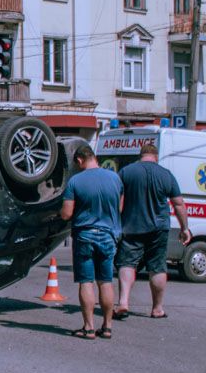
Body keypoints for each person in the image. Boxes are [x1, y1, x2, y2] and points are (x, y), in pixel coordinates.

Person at [114, 143, 191, 320]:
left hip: (131, 226)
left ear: (140, 155)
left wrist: (117, 221)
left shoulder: (127, 172)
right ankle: (157, 308)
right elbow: (178, 203)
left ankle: (123, 302)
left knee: (127, 264)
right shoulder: (165, 174)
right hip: (159, 228)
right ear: (156, 157)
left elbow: (117, 200)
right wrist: (184, 228)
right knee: (157, 267)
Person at [59, 145, 123, 340]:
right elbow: (119, 208)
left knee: (86, 282)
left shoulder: (75, 182)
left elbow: (67, 214)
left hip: (85, 236)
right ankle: (107, 326)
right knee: (106, 282)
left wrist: (60, 213)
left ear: (79, 160)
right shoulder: (115, 178)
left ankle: (88, 327)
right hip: (108, 235)